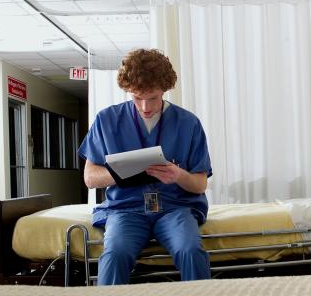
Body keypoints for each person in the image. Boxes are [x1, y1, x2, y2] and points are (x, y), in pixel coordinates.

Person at [78, 48, 212, 285]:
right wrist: (122, 170)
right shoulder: (106, 120)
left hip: (175, 207)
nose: (144, 106)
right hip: (126, 209)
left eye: (152, 97)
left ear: (165, 89)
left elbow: (200, 183)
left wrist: (178, 175)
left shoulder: (188, 123)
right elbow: (90, 178)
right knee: (114, 254)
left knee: (190, 250)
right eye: (136, 97)